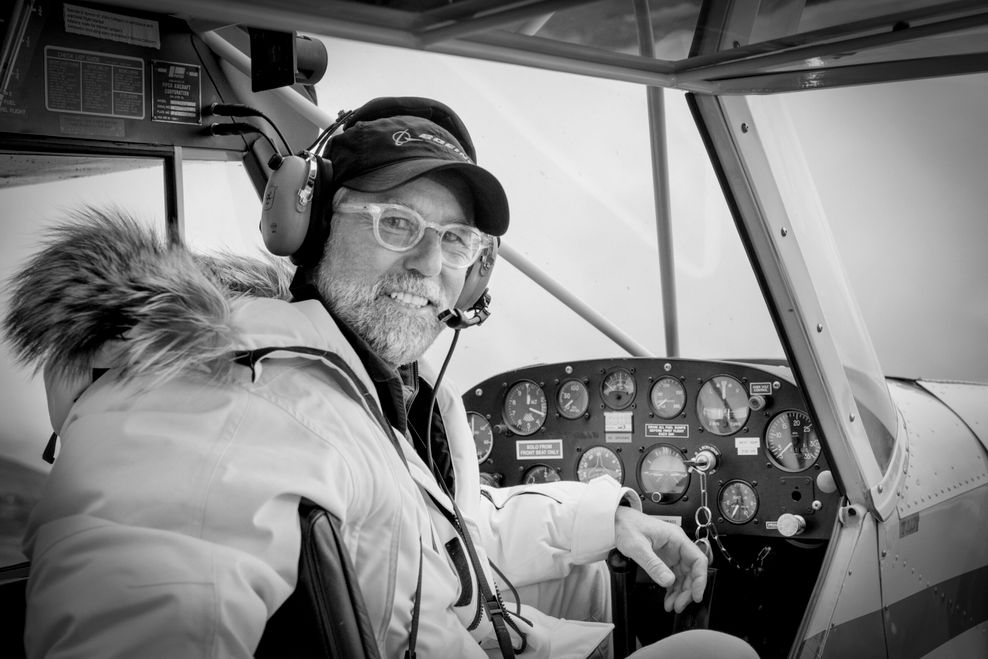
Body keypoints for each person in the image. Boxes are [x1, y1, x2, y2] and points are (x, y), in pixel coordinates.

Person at [4, 98, 757, 658]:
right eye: (397, 224)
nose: (430, 265)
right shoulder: (218, 391)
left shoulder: (369, 382)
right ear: (313, 228)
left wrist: (610, 518)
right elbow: (146, 607)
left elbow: (444, 530)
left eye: (455, 241)